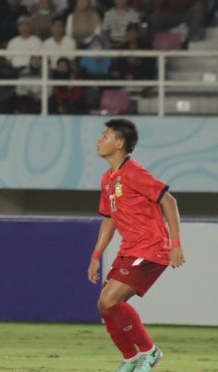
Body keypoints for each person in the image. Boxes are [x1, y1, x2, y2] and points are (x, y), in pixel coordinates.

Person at [90, 119, 185, 372]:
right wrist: (96, 255)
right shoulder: (107, 179)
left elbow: (170, 202)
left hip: (151, 248)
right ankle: (131, 359)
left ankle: (150, 352)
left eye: (106, 135)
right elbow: (109, 220)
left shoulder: (133, 172)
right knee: (104, 306)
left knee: (110, 300)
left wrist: (176, 244)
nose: (100, 139)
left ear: (119, 143)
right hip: (130, 250)